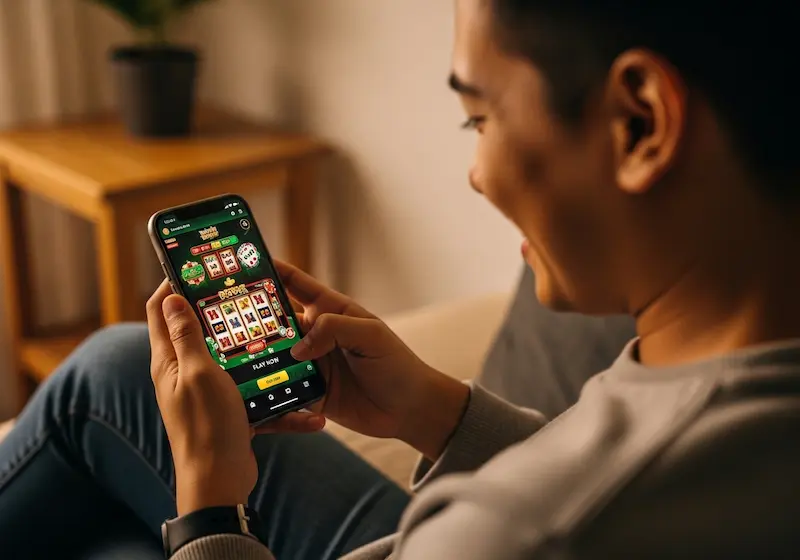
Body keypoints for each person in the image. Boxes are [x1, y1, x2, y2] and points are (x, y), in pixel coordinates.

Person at [2, 0, 800, 558]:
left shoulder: (520, 532)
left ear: (641, 122)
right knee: (113, 369)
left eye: (479, 118)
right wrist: (440, 411)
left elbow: (563, 514)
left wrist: (209, 506)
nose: (477, 175)